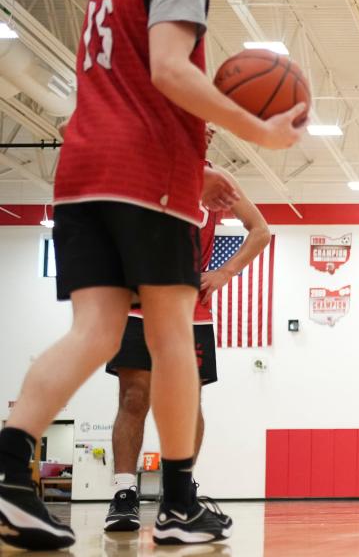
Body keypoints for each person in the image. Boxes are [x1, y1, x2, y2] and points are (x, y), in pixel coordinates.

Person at [0, 0, 304, 551]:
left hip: (83, 169)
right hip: (148, 175)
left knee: (92, 333)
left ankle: (9, 469)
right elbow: (168, 70)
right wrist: (258, 131)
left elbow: (128, 82)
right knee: (171, 341)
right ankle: (179, 505)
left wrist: (195, 165)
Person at [104, 161, 269, 532]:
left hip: (188, 308)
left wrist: (226, 271)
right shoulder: (139, 163)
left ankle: (179, 495)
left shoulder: (216, 178)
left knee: (186, 404)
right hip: (137, 301)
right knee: (134, 397)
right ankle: (124, 493)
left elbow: (260, 230)